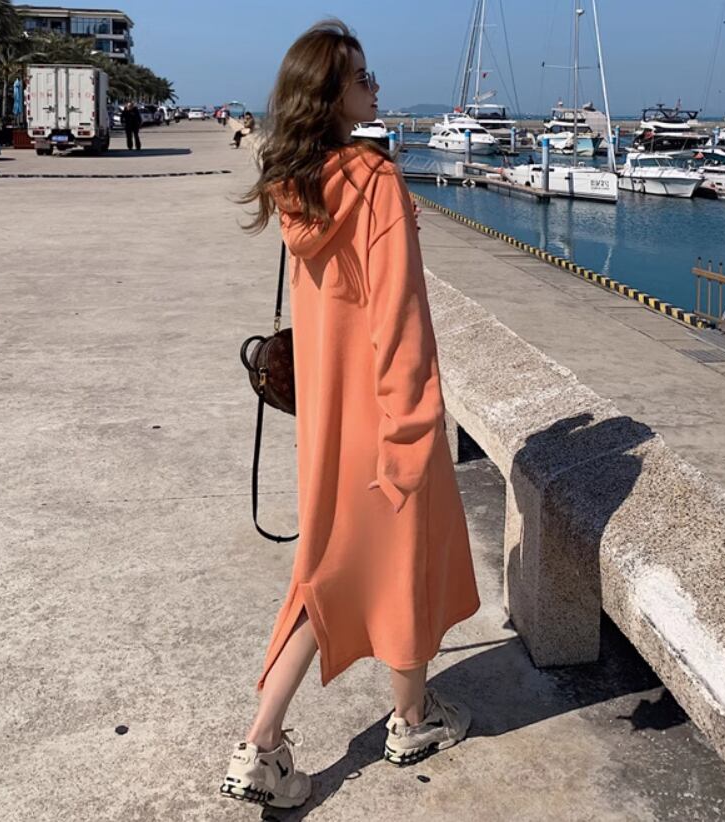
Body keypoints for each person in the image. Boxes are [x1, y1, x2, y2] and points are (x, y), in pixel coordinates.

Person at [220, 19, 480, 811]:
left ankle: (263, 747)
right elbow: (398, 320)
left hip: (330, 425)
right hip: (386, 415)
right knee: (400, 565)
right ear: (332, 96)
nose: (376, 88)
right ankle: (409, 721)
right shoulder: (374, 184)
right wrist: (412, 430)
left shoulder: (300, 186)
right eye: (363, 79)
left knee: (327, 572)